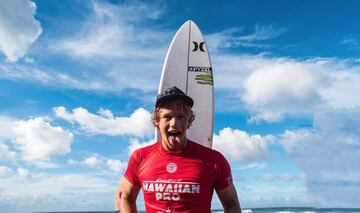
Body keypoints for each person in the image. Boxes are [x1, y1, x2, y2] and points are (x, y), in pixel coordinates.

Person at [115, 86, 241, 213]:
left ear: (188, 121)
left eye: (181, 116)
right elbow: (125, 197)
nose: (174, 123)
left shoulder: (214, 160)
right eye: (167, 117)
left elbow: (231, 204)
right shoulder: (140, 157)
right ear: (157, 122)